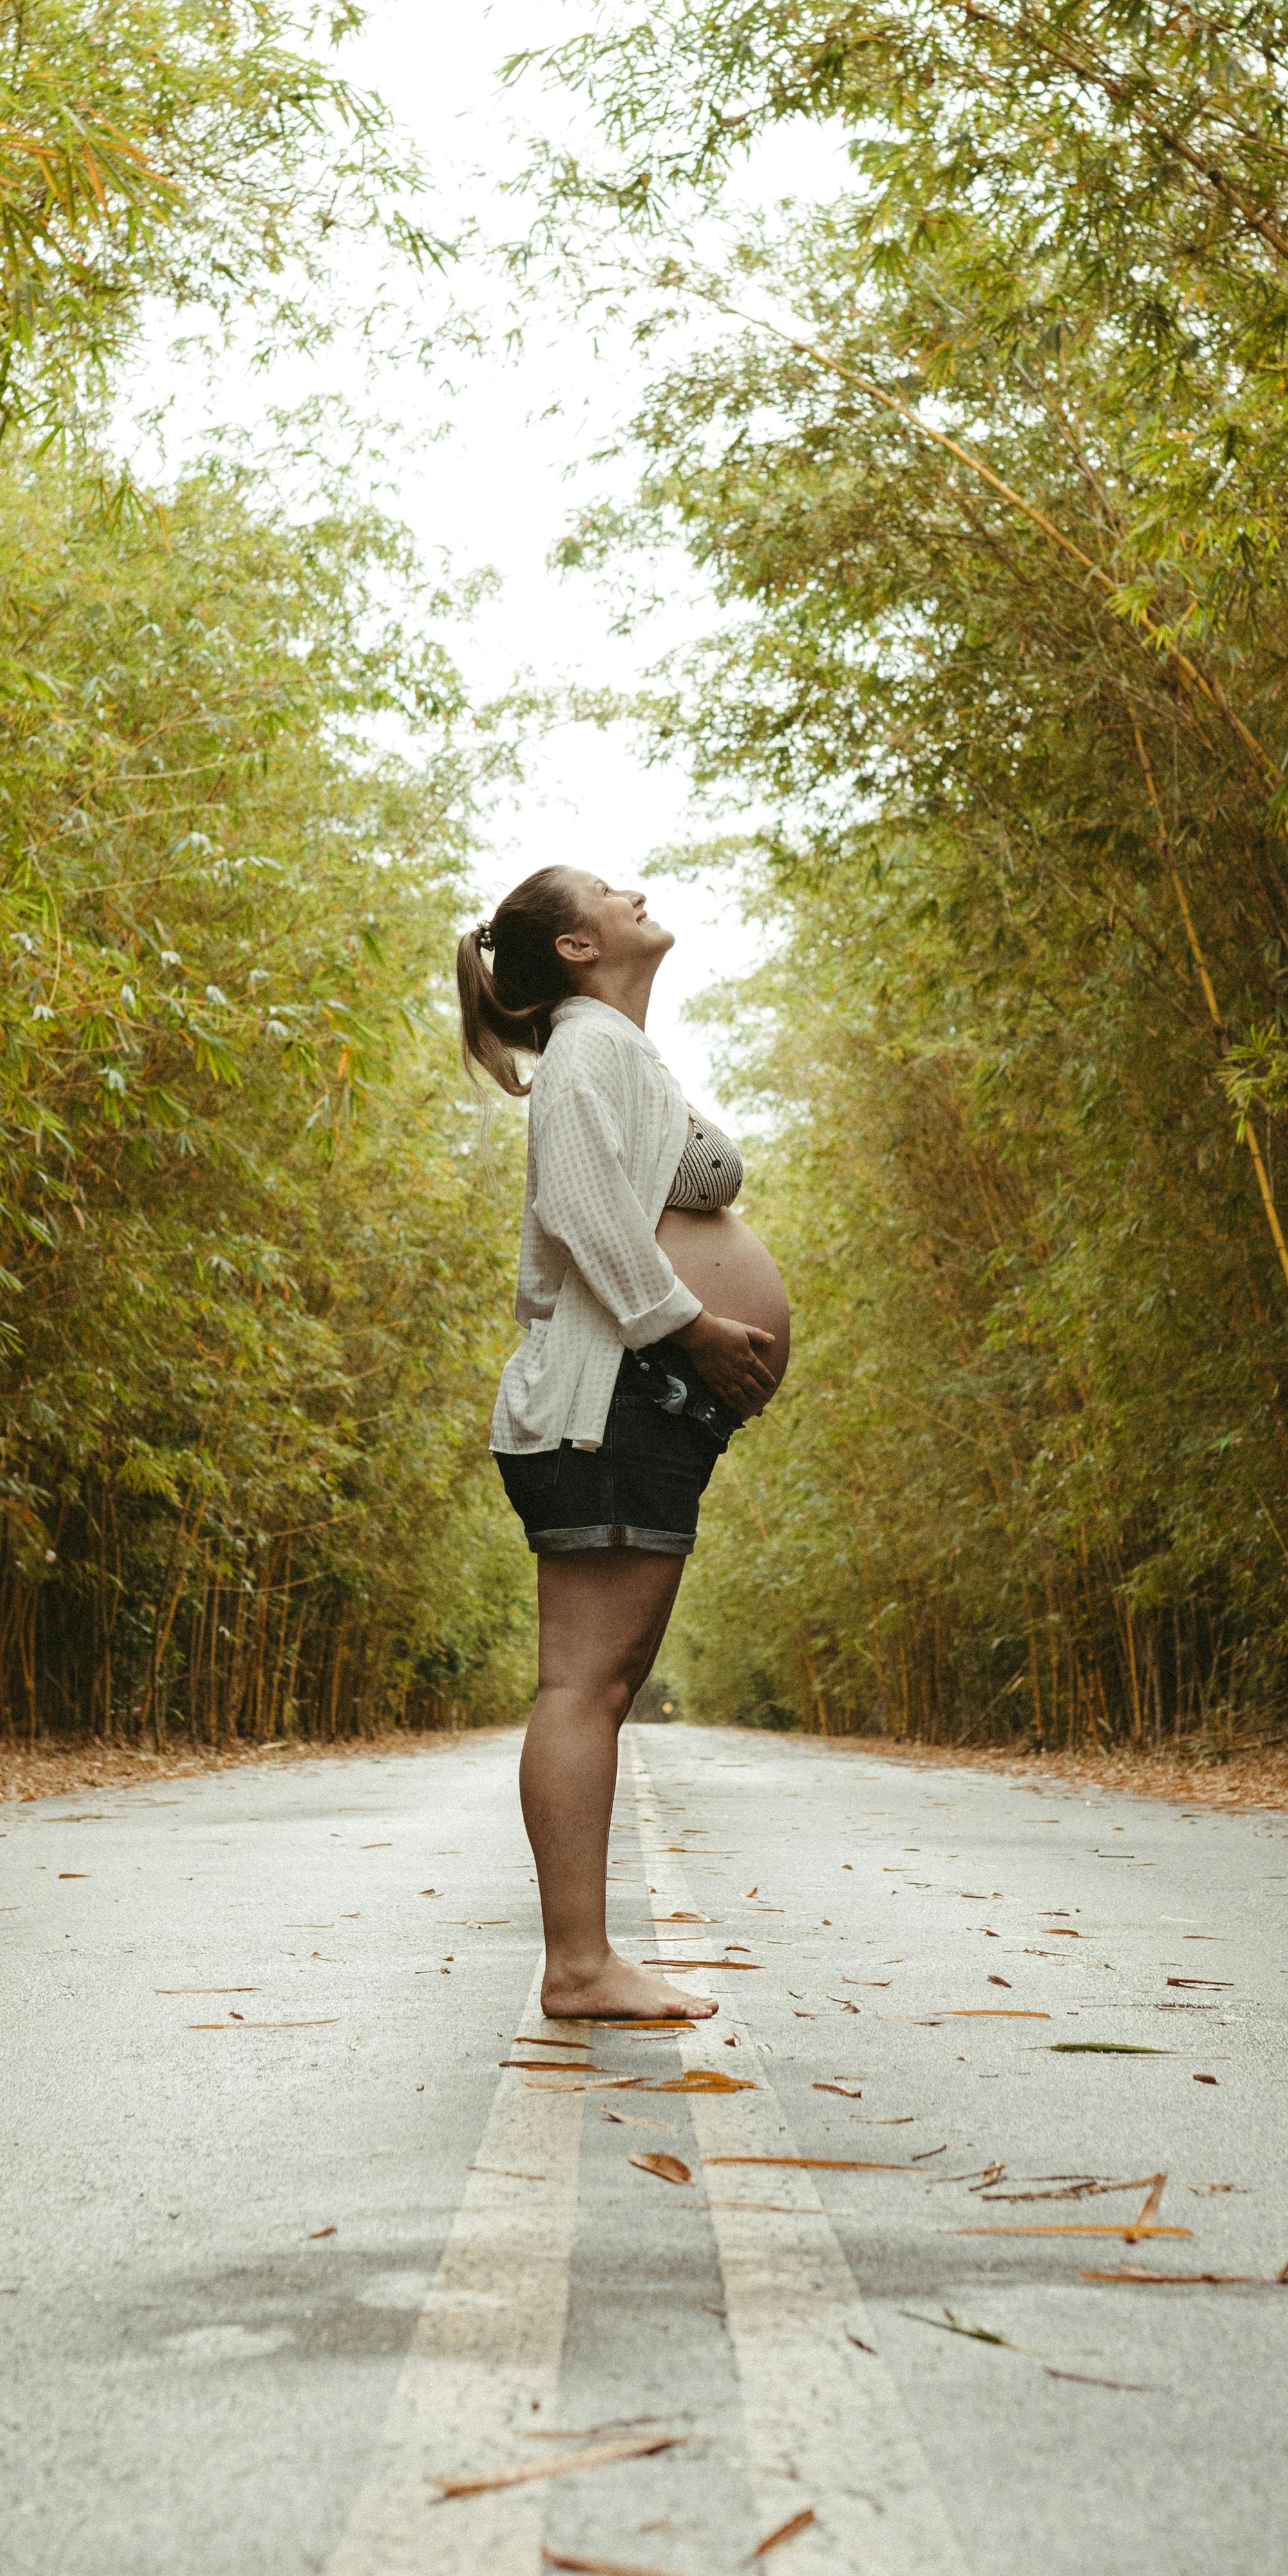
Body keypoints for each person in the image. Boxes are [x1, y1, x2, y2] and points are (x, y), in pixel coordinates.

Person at [457, 866, 790, 2021]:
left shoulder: (608, 1049)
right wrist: (693, 1328)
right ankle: (581, 1965)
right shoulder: (588, 1051)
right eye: (607, 892)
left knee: (599, 1682)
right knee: (585, 1686)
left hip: (638, 1403)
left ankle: (585, 1959)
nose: (634, 890)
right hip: (616, 1400)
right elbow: (582, 1211)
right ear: (575, 951)